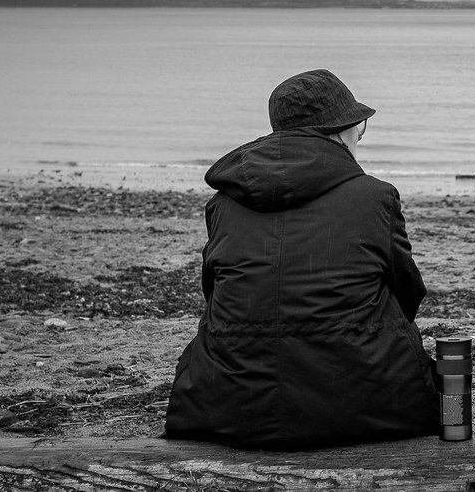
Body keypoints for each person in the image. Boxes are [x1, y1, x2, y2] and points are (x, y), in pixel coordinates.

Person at [165, 69, 439, 450]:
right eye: (360, 128)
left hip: (227, 404)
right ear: (340, 130)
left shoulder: (225, 201)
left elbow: (214, 294)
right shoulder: (374, 197)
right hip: (365, 402)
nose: (360, 136)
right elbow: (408, 293)